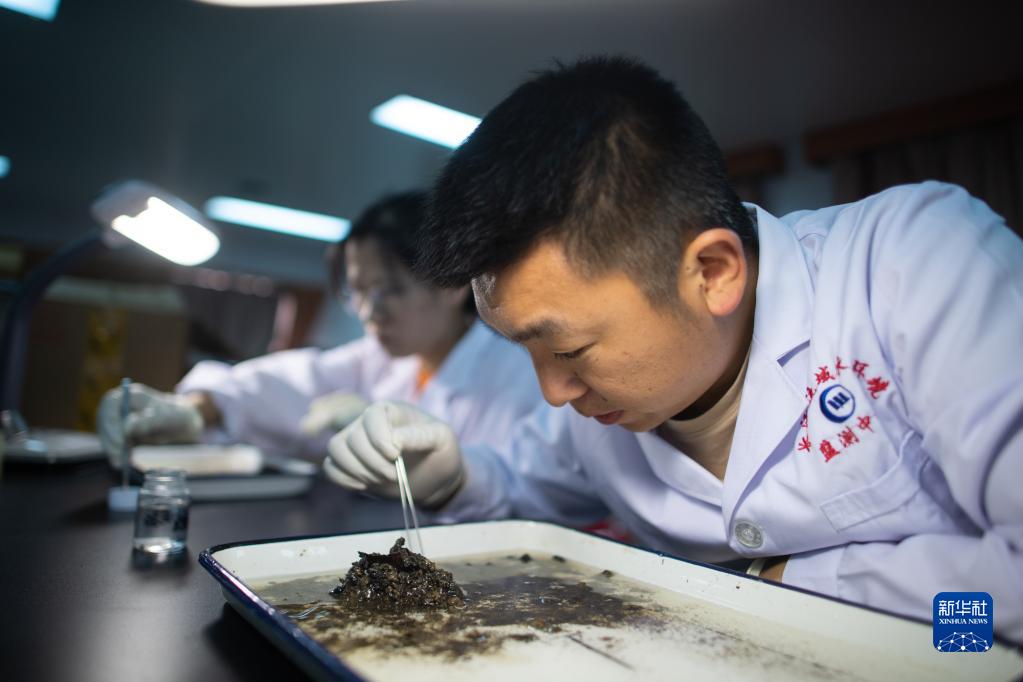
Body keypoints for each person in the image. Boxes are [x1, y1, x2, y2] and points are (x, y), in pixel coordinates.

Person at [322, 57, 1023, 641]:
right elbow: (522, 481)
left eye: (568, 348)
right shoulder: (600, 413)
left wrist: (787, 588)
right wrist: (446, 476)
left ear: (711, 272)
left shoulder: (913, 266)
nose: (553, 393)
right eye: (523, 349)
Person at [97, 191, 542, 495]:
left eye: (392, 290)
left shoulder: (518, 375)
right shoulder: (382, 360)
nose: (370, 312)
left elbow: (528, 494)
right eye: (359, 292)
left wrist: (446, 476)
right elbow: (287, 382)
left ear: (452, 286)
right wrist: (194, 409)